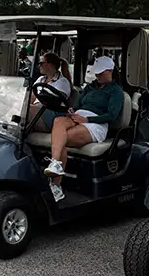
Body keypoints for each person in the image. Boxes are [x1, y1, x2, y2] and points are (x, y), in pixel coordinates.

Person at [44, 56, 124, 201]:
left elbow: (111, 115)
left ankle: (56, 184)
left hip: (96, 123)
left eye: (101, 72)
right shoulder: (90, 87)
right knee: (58, 122)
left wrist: (87, 119)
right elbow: (78, 105)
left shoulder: (115, 91)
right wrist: (72, 111)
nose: (97, 75)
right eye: (97, 72)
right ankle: (55, 164)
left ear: (110, 71)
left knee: (62, 138)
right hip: (79, 116)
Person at [29, 52, 74, 132]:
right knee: (20, 107)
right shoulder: (41, 79)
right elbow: (31, 97)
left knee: (27, 110)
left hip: (53, 114)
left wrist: (32, 107)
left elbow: (54, 103)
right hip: (39, 111)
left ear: (50, 64)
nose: (39, 66)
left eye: (41, 63)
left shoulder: (63, 82)